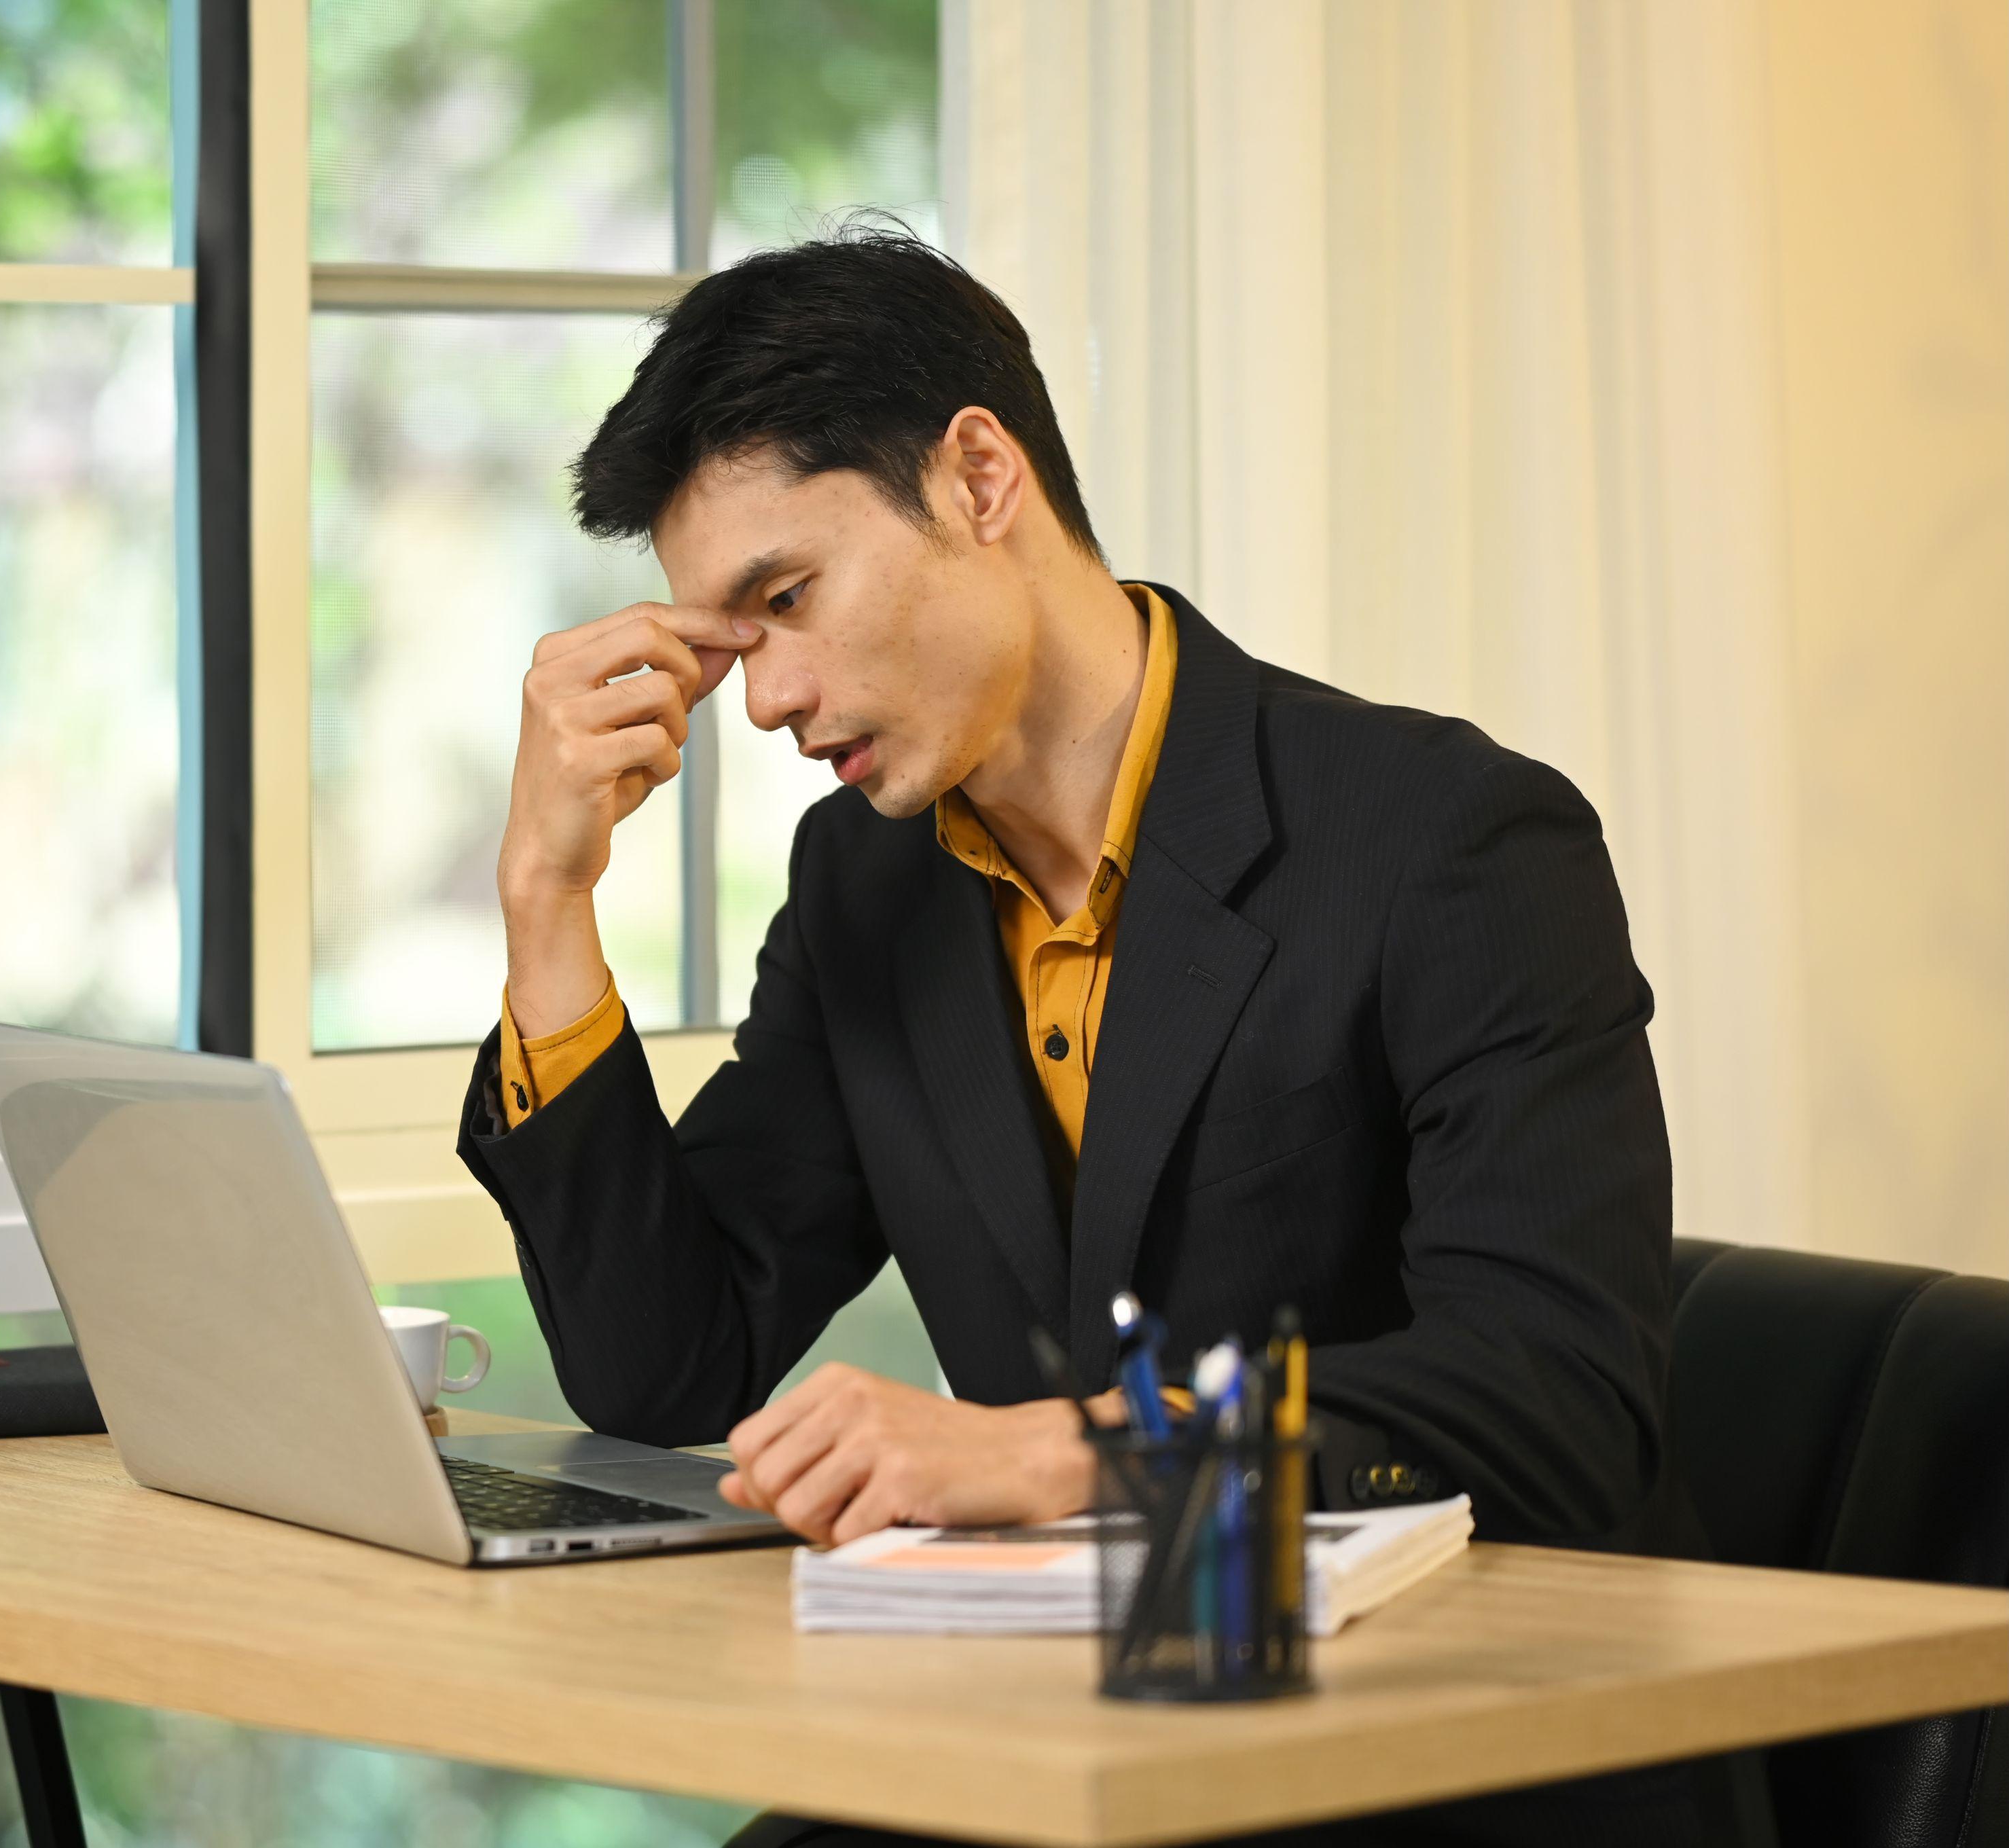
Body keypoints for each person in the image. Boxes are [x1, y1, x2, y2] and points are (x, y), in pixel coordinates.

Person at [450, 227, 1764, 1847]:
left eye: (785, 601)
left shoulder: (1449, 839)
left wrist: (1062, 1454)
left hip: (1461, 1767)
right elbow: (665, 1363)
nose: (767, 699)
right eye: (729, 645)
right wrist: (545, 898)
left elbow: (1558, 1399)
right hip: (1083, 1746)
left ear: (979, 476)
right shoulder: (867, 882)